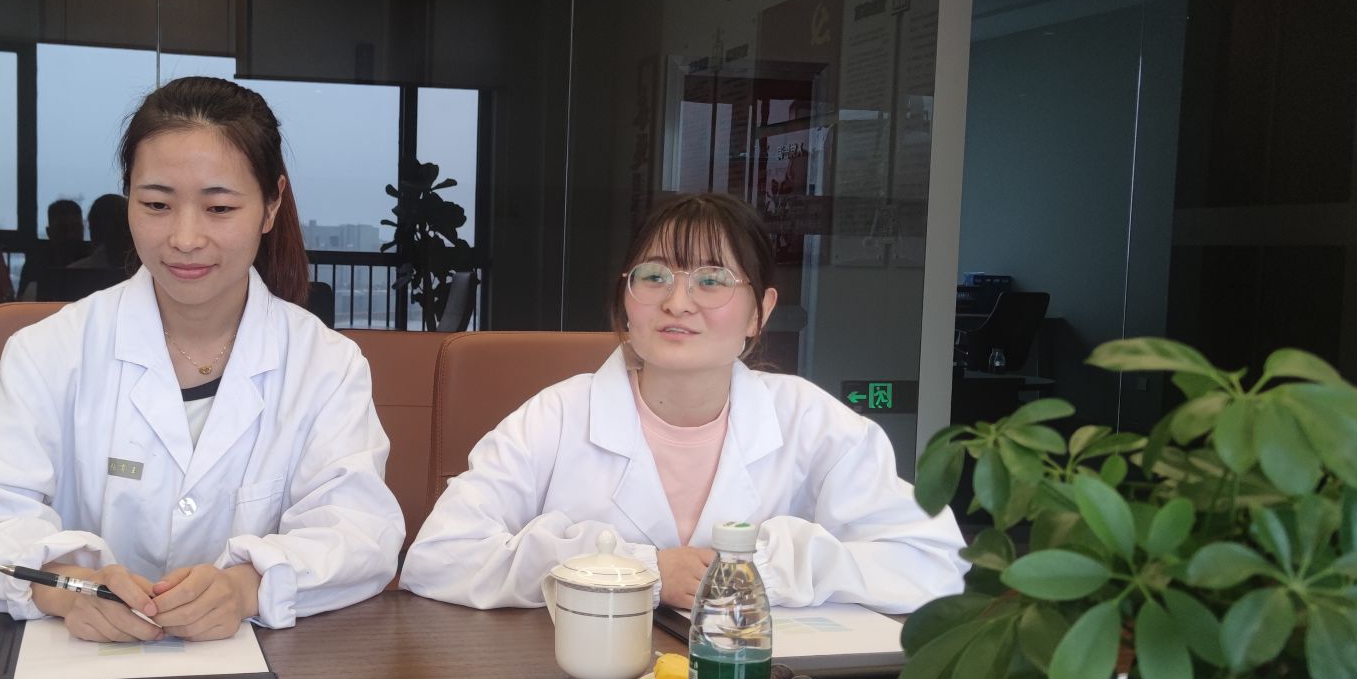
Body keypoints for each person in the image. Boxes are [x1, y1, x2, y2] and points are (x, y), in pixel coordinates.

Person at [0, 75, 402, 637]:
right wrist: (66, 588)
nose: (185, 238)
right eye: (156, 204)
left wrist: (247, 585)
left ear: (271, 205)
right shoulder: (49, 351)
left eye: (219, 207)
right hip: (75, 664)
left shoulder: (327, 365)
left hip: (261, 663)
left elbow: (361, 534)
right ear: (128, 198)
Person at [401, 192, 964, 613]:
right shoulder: (556, 416)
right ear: (626, 301)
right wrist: (635, 572)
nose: (677, 302)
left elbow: (933, 563)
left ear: (760, 311)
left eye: (712, 281)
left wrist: (762, 571)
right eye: (654, 276)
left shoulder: (812, 421)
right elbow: (438, 558)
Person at [19, 198, 88, 295]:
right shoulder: (35, 264)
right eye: (62, 229)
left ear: (82, 230)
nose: (70, 235)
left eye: (75, 228)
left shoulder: (94, 262)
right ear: (49, 232)